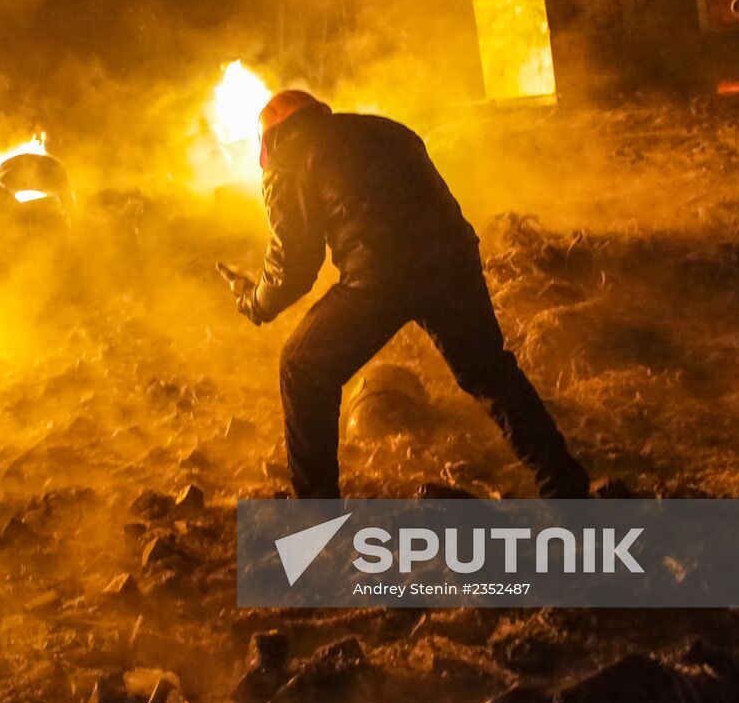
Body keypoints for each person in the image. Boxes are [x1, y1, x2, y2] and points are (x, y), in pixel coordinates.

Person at [224, 91, 591, 499]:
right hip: (452, 257)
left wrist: (252, 300)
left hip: (380, 275)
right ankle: (565, 484)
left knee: (302, 367)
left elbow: (294, 266)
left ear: (269, 136)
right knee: (490, 371)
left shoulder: (289, 157)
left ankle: (316, 519)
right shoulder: (387, 129)